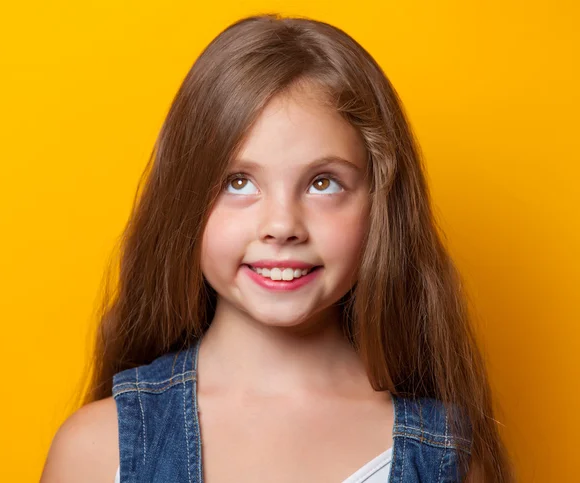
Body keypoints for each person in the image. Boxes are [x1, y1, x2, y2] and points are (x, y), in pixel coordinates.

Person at [40, 13, 515, 483]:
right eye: (238, 181)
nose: (282, 225)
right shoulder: (99, 452)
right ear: (183, 199)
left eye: (323, 183)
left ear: (380, 204)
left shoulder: (444, 459)